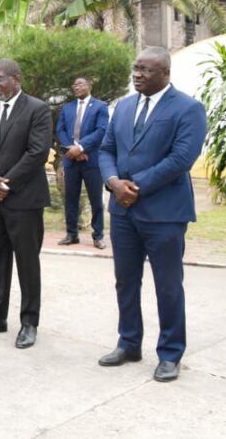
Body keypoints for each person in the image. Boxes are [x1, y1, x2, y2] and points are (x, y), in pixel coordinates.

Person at [97, 47, 206, 383]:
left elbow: (181, 159)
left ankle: (170, 354)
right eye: (136, 68)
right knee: (125, 281)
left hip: (164, 213)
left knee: (168, 285)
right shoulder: (124, 106)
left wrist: (136, 186)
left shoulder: (188, 108)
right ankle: (129, 343)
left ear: (166, 74)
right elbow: (106, 149)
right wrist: (114, 183)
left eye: (146, 70)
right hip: (123, 212)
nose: (138, 74)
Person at [0, 59, 52, 349]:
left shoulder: (37, 109)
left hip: (24, 199)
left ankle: (29, 322)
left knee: (27, 262)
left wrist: (6, 183)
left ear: (16, 78)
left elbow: (37, 152)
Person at [55, 77, 109, 249]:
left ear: (89, 86)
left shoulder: (100, 107)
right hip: (71, 160)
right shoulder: (67, 108)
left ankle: (98, 235)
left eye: (81, 84)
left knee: (95, 199)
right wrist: (72, 150)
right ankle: (72, 234)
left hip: (91, 160)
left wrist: (81, 147)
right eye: (74, 85)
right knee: (71, 198)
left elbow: (101, 130)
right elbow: (60, 130)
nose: (77, 87)